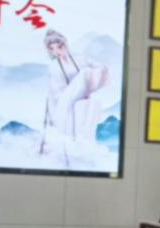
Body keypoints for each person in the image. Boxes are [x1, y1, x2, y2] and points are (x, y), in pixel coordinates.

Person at [39, 29, 109, 163]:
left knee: (91, 105)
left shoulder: (80, 58)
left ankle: (86, 150)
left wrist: (93, 75)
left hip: (84, 99)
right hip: (66, 100)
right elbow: (55, 91)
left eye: (60, 46)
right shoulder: (54, 66)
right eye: (52, 48)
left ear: (65, 44)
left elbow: (99, 67)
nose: (57, 51)